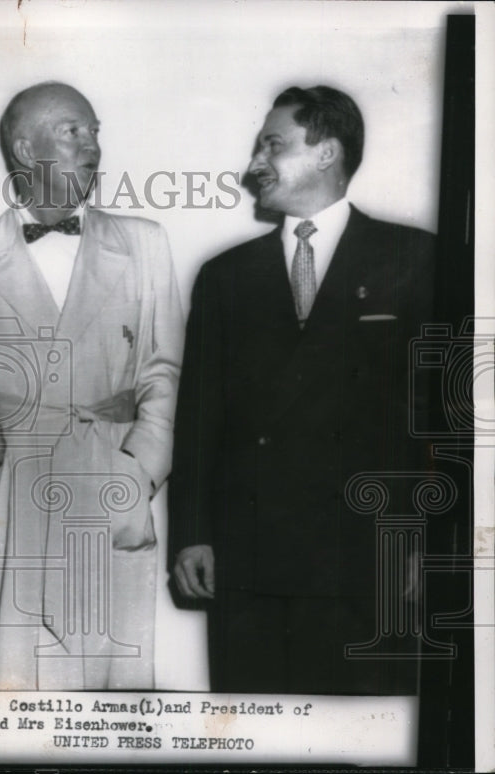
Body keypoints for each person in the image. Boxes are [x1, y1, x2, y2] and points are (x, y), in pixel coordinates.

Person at [169, 85, 435, 694]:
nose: (254, 163)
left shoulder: (416, 258)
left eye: (273, 143)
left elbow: (444, 424)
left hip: (369, 563)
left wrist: (435, 545)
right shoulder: (225, 276)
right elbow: (199, 417)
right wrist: (191, 535)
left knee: (359, 737)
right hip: (248, 562)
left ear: (326, 152)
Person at [0, 82, 183, 690]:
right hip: (1, 495)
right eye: (73, 131)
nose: (92, 144)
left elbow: (163, 370)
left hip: (104, 482)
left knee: (100, 691)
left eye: (95, 131)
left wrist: (139, 471)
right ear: (23, 148)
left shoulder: (145, 244)